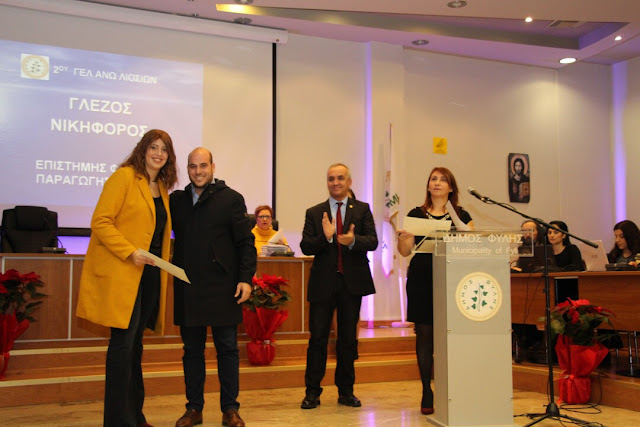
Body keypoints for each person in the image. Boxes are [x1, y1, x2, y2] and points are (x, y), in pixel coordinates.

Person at [76, 129, 177, 427]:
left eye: (164, 149)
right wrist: (129, 251)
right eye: (153, 147)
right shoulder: (124, 177)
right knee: (122, 346)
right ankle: (119, 421)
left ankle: (136, 416)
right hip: (125, 272)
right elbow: (100, 221)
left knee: (135, 347)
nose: (158, 153)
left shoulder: (161, 187)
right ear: (142, 149)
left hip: (150, 274)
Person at [170, 147, 256, 427]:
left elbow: (246, 243)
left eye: (203, 165)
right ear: (187, 169)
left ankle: (230, 409)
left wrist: (245, 278)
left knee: (228, 350)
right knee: (192, 351)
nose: (198, 171)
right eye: (193, 166)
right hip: (188, 288)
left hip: (223, 287)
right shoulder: (177, 201)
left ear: (213, 167)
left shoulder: (231, 199)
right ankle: (193, 409)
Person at [299, 163, 378, 410]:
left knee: (347, 340)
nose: (335, 182)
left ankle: (346, 391)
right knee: (318, 339)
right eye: (331, 178)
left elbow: (373, 241)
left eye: (340, 178)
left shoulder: (362, 209)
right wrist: (326, 237)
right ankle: (312, 392)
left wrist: (353, 240)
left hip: (351, 284)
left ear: (349, 182)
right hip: (323, 284)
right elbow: (306, 246)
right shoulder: (315, 212)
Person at [396, 167, 474, 416]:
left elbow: (471, 245)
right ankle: (426, 390)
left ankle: (452, 389)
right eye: (433, 179)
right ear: (428, 186)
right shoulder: (415, 214)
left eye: (443, 179)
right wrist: (402, 238)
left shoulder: (462, 215)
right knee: (424, 336)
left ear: (451, 187)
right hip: (421, 278)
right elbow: (405, 252)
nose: (437, 183)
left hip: (451, 278)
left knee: (451, 335)